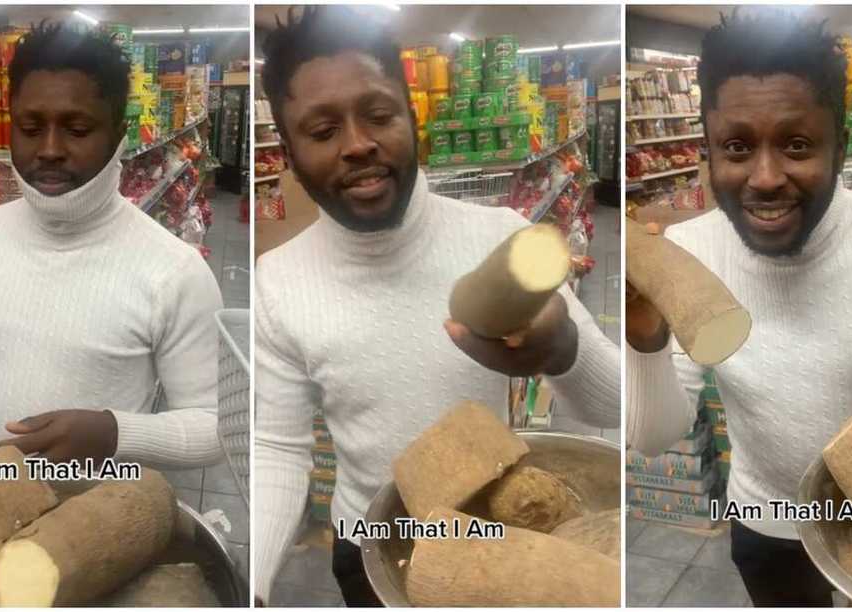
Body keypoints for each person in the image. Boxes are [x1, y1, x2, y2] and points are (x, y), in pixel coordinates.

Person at [255, 6, 620, 606]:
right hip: (371, 540)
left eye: (379, 116)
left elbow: (611, 404)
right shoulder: (279, 281)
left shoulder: (496, 239)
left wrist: (565, 351)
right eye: (322, 132)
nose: (359, 145)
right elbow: (277, 445)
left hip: (494, 540)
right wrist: (259, 588)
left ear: (412, 119)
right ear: (289, 154)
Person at [626, 10, 852, 607]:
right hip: (765, 521)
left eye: (797, 144)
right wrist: (644, 345)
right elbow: (651, 437)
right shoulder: (689, 254)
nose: (765, 178)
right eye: (737, 146)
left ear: (839, 147)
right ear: (710, 152)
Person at [0, 22, 224, 492]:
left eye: (78, 129)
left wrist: (114, 433)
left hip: (96, 537)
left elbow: (217, 426)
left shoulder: (173, 272)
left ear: (118, 135)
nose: (49, 150)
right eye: (30, 128)